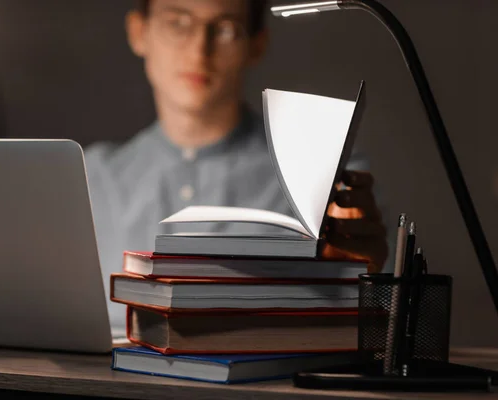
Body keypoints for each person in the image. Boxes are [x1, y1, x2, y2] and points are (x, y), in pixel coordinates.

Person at [84, 0, 389, 336]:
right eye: (177, 23)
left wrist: (362, 280)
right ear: (139, 32)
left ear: (256, 45)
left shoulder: (325, 174)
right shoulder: (87, 178)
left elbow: (361, 324)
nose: (200, 49)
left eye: (226, 28)